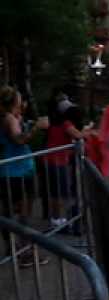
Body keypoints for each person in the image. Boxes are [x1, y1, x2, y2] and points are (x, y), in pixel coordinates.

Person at [0, 86, 49, 265]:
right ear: (13, 102)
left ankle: (16, 250)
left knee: (14, 212)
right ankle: (21, 252)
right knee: (20, 213)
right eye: (19, 99)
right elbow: (19, 140)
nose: (22, 102)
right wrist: (37, 127)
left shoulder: (11, 118)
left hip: (14, 171)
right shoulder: (9, 119)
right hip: (16, 172)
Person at [45, 100, 93, 226]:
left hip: (55, 160)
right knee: (60, 191)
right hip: (57, 161)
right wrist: (90, 132)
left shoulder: (56, 123)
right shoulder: (65, 124)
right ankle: (58, 219)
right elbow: (78, 135)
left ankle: (57, 218)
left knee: (58, 191)